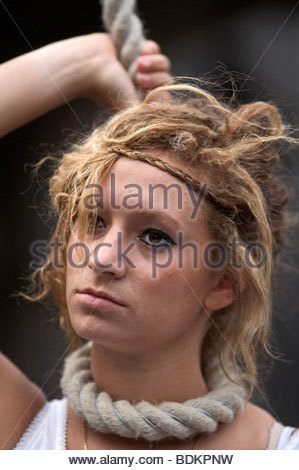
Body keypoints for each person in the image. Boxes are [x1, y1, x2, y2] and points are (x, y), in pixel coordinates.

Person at [0, 32, 298, 451]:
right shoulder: (20, 433)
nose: (104, 257)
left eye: (154, 236)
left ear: (224, 282)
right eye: (95, 219)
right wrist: (80, 64)